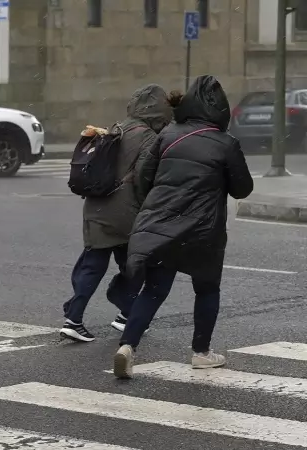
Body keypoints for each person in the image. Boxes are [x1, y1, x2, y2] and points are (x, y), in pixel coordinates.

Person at [113, 75, 254, 379]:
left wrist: (154, 207)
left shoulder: (167, 135)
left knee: (153, 290)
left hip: (163, 225)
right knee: (206, 289)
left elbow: (143, 178)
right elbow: (243, 188)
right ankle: (201, 353)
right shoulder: (226, 143)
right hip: (204, 231)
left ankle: (127, 346)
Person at [60, 84, 174, 342]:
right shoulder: (149, 138)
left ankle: (76, 318)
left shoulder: (116, 128)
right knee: (134, 265)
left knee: (92, 265)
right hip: (125, 213)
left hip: (96, 205)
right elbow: (145, 178)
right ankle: (125, 314)